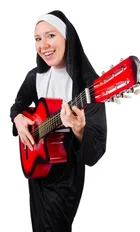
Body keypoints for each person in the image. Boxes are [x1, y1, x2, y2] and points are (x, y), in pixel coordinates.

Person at [10, 10, 107, 232]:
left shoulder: (88, 86)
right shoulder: (35, 77)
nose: (43, 45)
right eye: (37, 38)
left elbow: (97, 149)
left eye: (51, 35)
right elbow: (18, 106)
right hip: (37, 168)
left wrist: (80, 129)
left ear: (67, 37)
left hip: (66, 176)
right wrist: (18, 120)